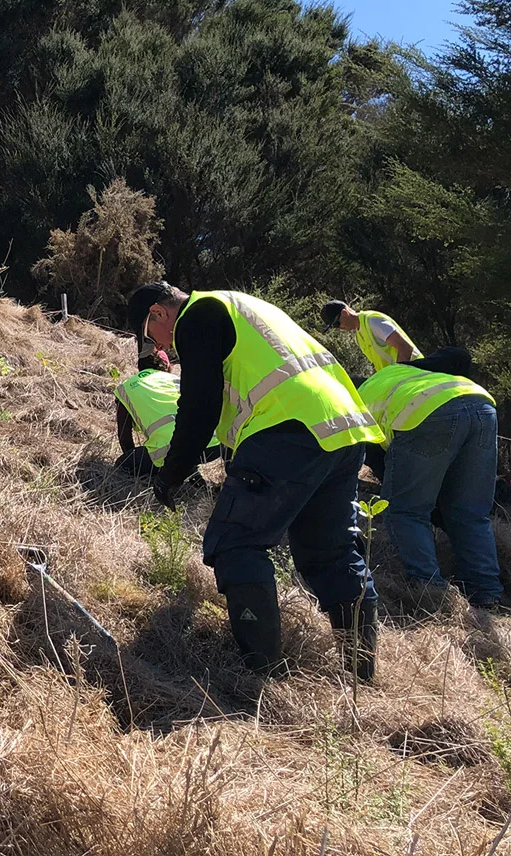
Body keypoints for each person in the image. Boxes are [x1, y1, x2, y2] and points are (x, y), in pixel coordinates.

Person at [129, 282, 386, 680]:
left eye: (151, 335)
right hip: (342, 428)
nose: (163, 348)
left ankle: (259, 677)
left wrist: (171, 475)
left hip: (288, 428)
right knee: (330, 554)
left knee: (236, 543)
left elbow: (199, 406)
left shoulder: (197, 316)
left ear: (159, 313)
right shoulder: (241, 305)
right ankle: (360, 674)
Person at [357, 362, 505, 609]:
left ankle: (431, 593)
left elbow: (373, 460)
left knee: (405, 511)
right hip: (480, 404)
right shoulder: (392, 375)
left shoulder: (357, 400)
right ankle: (487, 593)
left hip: (424, 413)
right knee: (470, 513)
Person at [321, 300, 417, 370]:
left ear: (345, 313)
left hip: (418, 375)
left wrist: (399, 376)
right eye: (334, 327)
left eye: (337, 324)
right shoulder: (359, 337)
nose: (338, 329)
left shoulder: (372, 322)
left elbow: (405, 348)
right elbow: (379, 366)